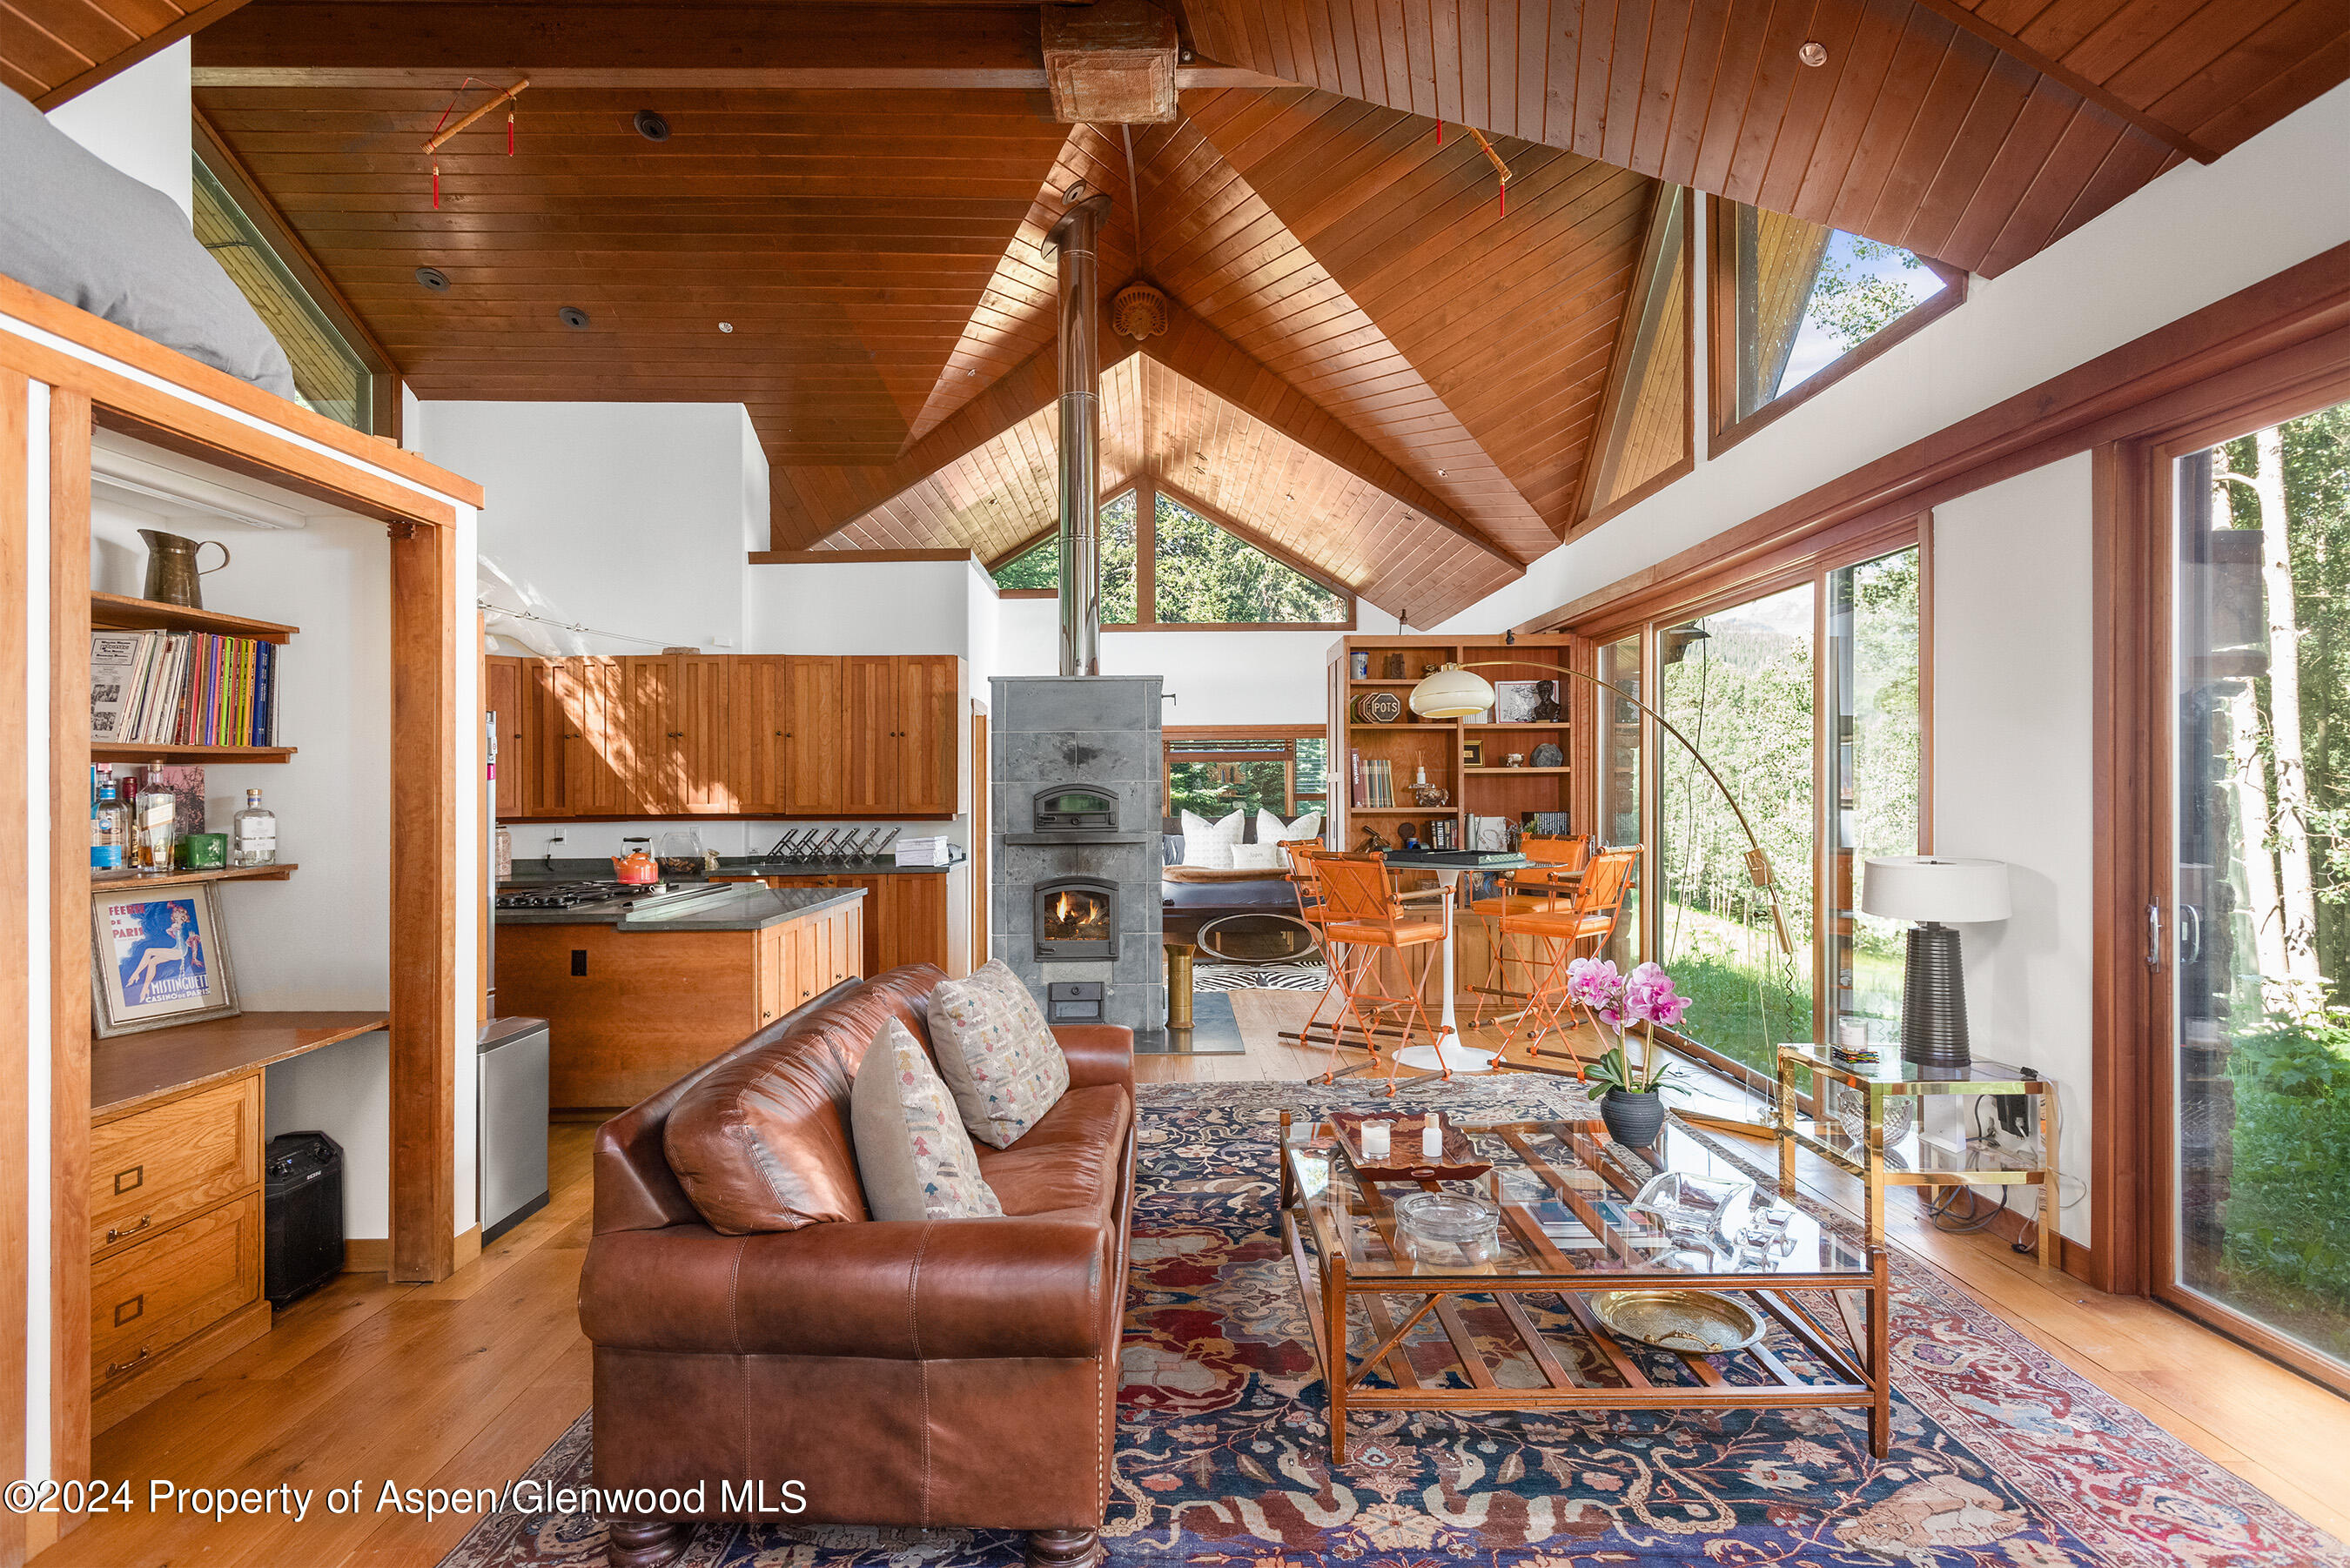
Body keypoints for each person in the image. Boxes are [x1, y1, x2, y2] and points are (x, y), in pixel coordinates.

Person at [122, 902, 194, 1002]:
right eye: (176, 914)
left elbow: (190, 938)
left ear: (184, 917)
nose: (178, 915)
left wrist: (193, 954)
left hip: (180, 951)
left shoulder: (184, 926)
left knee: (149, 951)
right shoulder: (174, 926)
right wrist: (173, 932)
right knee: (153, 962)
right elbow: (172, 933)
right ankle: (145, 989)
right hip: (175, 949)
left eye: (181, 915)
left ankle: (135, 974)